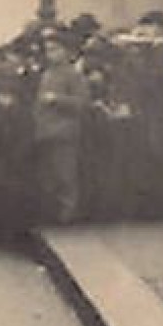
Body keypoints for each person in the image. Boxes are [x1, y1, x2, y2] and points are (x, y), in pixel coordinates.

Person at [32, 30, 90, 224]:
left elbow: (82, 103)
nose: (51, 54)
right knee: (47, 176)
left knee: (64, 175)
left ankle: (67, 215)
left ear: (66, 51)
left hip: (64, 133)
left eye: (55, 49)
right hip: (45, 131)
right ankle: (51, 214)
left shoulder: (74, 75)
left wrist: (57, 99)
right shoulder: (47, 73)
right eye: (48, 50)